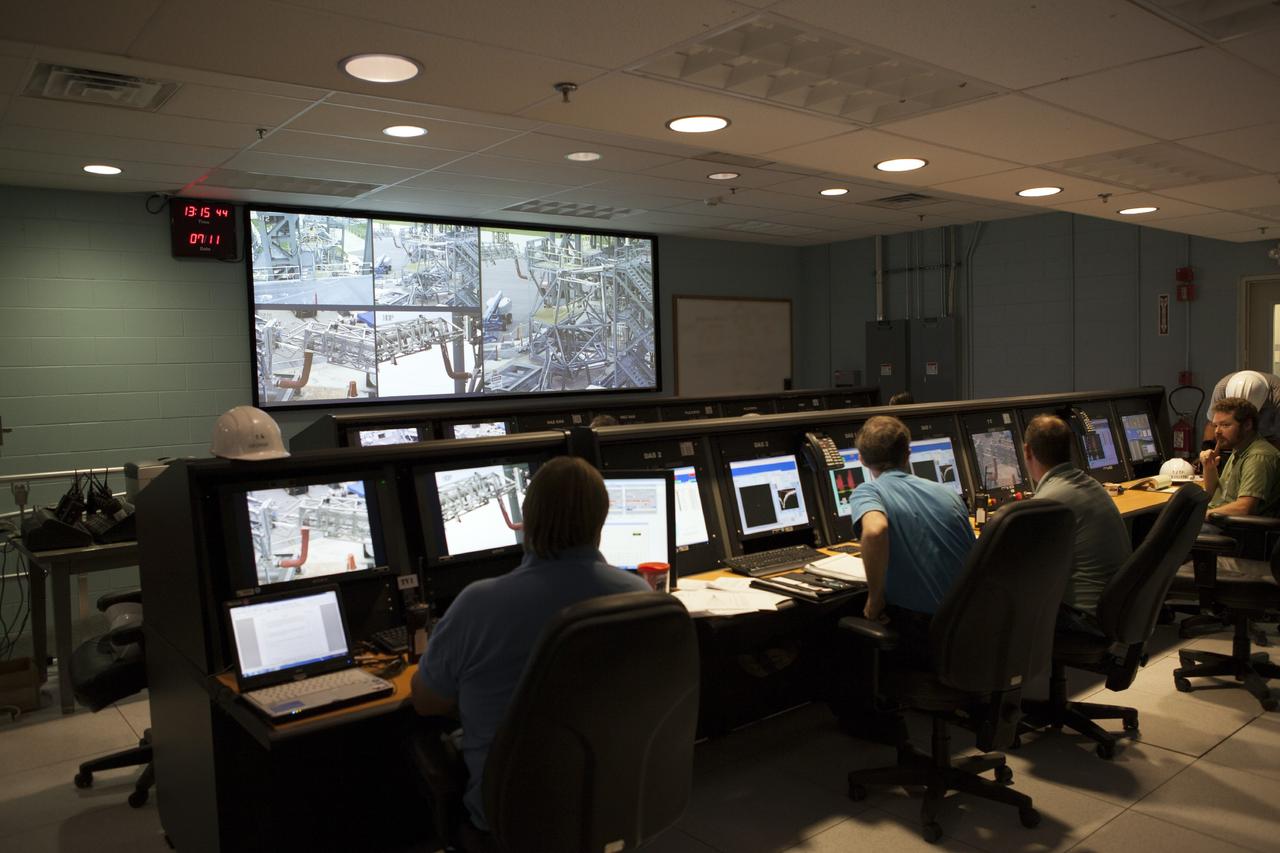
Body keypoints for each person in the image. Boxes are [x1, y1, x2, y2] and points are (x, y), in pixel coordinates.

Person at [410, 456, 648, 834]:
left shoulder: (479, 604)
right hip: (611, 800)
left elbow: (426, 702)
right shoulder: (637, 594)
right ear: (601, 520)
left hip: (514, 812)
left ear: (528, 518)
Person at [847, 416, 975, 650]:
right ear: (908, 454)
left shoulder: (868, 492)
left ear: (862, 460)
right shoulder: (946, 493)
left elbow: (875, 531)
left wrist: (875, 600)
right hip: (969, 625)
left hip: (923, 632)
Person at [1023, 415, 1131, 630]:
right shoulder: (1091, 484)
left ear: (1027, 451)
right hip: (1117, 612)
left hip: (1087, 620)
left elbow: (1025, 567)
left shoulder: (1049, 501)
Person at [1202, 397, 1280, 520]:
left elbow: (1244, 508)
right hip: (1219, 519)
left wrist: (1200, 516)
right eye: (1215, 425)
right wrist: (1209, 467)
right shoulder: (1238, 449)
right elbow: (1213, 496)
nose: (1217, 432)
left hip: (1235, 529)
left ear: (1247, 425)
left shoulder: (1258, 456)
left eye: (1225, 425)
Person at [1205, 370, 1280, 446]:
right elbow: (1212, 422)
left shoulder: (1277, 391)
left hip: (1270, 436)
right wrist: (1207, 448)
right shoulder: (1222, 388)